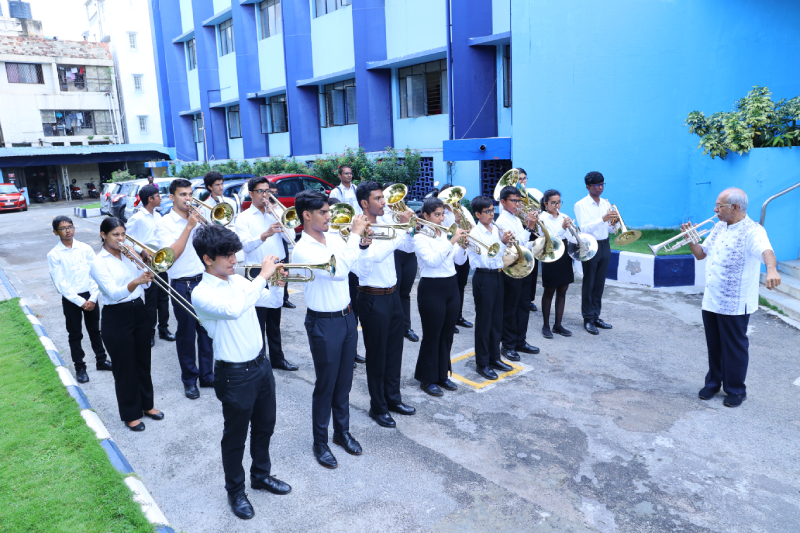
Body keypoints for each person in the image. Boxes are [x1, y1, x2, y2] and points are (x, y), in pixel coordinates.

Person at [191, 225, 291, 520]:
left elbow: (264, 301)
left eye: (234, 253)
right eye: (228, 256)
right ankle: (235, 491)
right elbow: (235, 309)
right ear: (208, 259)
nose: (235, 260)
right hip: (235, 375)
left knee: (265, 426)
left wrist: (277, 283)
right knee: (235, 438)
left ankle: (261, 475)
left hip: (261, 366)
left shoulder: (236, 280)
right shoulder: (202, 293)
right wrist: (262, 275)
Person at [292, 190, 371, 469]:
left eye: (328, 211)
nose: (329, 216)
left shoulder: (335, 237)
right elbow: (337, 271)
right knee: (326, 384)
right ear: (307, 215)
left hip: (347, 317)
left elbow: (355, 267)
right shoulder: (304, 248)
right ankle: (320, 442)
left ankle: (342, 432)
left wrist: (360, 243)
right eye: (324, 212)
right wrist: (356, 236)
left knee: (344, 382)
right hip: (323, 322)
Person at [684, 188, 780, 408]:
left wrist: (772, 270)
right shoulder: (718, 227)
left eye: (720, 206)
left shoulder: (753, 231)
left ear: (735, 207)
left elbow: (767, 252)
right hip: (712, 297)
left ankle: (736, 389)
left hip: (736, 302)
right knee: (714, 344)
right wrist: (691, 238)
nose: (715, 209)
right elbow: (700, 254)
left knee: (734, 347)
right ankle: (713, 383)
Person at [90, 217, 163, 432]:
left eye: (123, 234)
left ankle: (147, 405)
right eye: (115, 235)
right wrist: (135, 281)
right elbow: (113, 293)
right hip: (116, 315)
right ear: (103, 235)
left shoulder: (129, 255)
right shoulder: (99, 262)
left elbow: (147, 286)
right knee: (125, 368)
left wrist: (144, 263)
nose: (120, 239)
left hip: (138, 310)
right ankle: (131, 414)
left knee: (143, 362)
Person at [355, 181, 417, 428]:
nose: (385, 202)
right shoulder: (359, 228)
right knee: (377, 355)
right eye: (379, 198)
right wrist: (402, 227)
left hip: (392, 295)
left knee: (394, 352)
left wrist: (410, 229)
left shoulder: (386, 222)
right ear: (364, 203)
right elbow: (375, 255)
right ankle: (377, 406)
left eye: (383, 197)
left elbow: (407, 247)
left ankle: (393, 399)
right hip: (372, 297)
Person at [154, 178, 214, 399]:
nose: (188, 198)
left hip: (204, 279)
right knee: (187, 334)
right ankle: (190, 379)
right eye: (183, 194)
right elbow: (170, 257)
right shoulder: (164, 223)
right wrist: (189, 226)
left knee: (207, 331)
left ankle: (208, 374)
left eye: (190, 194)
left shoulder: (199, 217)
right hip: (182, 284)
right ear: (172, 197)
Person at [234, 177, 298, 372]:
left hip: (277, 267)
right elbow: (244, 245)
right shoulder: (243, 218)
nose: (265, 195)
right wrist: (265, 234)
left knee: (275, 317)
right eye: (261, 191)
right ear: (251, 194)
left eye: (267, 191)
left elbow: (292, 237)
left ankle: (278, 359)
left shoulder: (276, 212)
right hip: (256, 271)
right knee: (258, 319)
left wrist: (278, 218)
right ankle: (260, 360)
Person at [413, 197, 468, 397]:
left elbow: (458, 261)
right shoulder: (420, 238)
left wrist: (462, 246)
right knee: (432, 335)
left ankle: (442, 374)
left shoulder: (444, 234)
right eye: (437, 215)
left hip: (450, 285)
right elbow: (432, 262)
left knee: (447, 334)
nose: (442, 218)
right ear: (426, 215)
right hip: (432, 287)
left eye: (443, 214)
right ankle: (427, 378)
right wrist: (452, 241)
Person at [47, 216, 111, 384]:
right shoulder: (54, 255)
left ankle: (101, 360)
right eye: (63, 228)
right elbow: (60, 283)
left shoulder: (85, 248)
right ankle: (80, 367)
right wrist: (80, 301)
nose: (68, 230)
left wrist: (92, 298)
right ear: (55, 232)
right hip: (71, 299)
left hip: (90, 295)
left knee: (95, 330)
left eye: (70, 227)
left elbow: (95, 274)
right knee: (75, 334)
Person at [467, 196, 514, 381]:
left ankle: (495, 358)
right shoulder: (474, 234)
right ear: (477, 214)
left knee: (497, 320)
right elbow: (486, 260)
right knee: (484, 322)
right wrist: (502, 243)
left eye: (492, 210)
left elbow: (500, 256)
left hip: (498, 275)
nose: (491, 214)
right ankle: (483, 363)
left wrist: (507, 243)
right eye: (487, 211)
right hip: (483, 277)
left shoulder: (496, 229)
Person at [126, 185, 175, 347]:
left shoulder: (158, 215)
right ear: (150, 199)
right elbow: (127, 239)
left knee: (163, 297)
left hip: (161, 261)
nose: (160, 198)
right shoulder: (137, 218)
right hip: (147, 263)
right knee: (151, 300)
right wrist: (142, 251)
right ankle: (150, 332)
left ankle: (164, 329)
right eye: (157, 195)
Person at [496, 186, 540, 361]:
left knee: (523, 305)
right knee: (510, 307)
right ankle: (508, 344)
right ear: (503, 202)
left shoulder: (515, 218)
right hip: (511, 268)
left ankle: (521, 340)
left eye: (519, 200)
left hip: (523, 265)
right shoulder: (501, 221)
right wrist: (529, 226)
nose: (517, 204)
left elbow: (525, 244)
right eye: (513, 201)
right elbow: (517, 243)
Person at [573, 171, 618, 335]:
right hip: (590, 246)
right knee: (589, 282)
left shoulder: (606, 203)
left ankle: (596, 315)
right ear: (588, 186)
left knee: (599, 283)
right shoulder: (580, 205)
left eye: (602, 184)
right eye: (597, 185)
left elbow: (609, 228)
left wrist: (614, 224)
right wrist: (603, 219)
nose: (600, 188)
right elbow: (583, 228)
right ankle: (587, 318)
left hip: (605, 245)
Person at [383, 182, 420, 343]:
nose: (396, 201)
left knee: (405, 293)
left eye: (399, 197)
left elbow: (413, 235)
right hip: (395, 254)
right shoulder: (384, 215)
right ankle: (394, 325)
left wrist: (415, 225)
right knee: (395, 292)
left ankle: (407, 327)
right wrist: (402, 222)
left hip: (410, 254)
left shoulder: (407, 211)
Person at [538, 190, 576, 339]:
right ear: (546, 204)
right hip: (551, 255)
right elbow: (551, 239)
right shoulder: (542, 218)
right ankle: (546, 325)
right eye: (553, 203)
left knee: (562, 291)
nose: (557, 205)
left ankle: (558, 324)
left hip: (565, 256)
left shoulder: (564, 217)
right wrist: (563, 228)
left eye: (559, 202)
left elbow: (569, 238)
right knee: (549, 292)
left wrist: (572, 230)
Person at [439, 184, 472, 333]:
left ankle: (458, 316)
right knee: (450, 288)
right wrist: (456, 223)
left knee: (461, 286)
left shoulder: (463, 210)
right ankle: (448, 319)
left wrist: (465, 222)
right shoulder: (441, 214)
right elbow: (444, 233)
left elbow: (473, 227)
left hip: (463, 251)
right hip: (449, 252)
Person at [518, 169, 543, 313]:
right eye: (519, 179)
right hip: (520, 230)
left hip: (533, 232)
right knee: (521, 264)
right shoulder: (510, 196)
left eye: (524, 178)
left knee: (533, 266)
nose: (522, 181)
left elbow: (542, 210)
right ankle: (520, 296)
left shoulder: (536, 193)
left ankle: (529, 299)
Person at [267, 181, 295, 309]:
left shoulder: (280, 208)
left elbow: (291, 236)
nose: (274, 195)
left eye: (275, 193)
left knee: (284, 271)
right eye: (271, 193)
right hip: (268, 247)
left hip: (281, 243)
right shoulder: (264, 210)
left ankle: (284, 298)